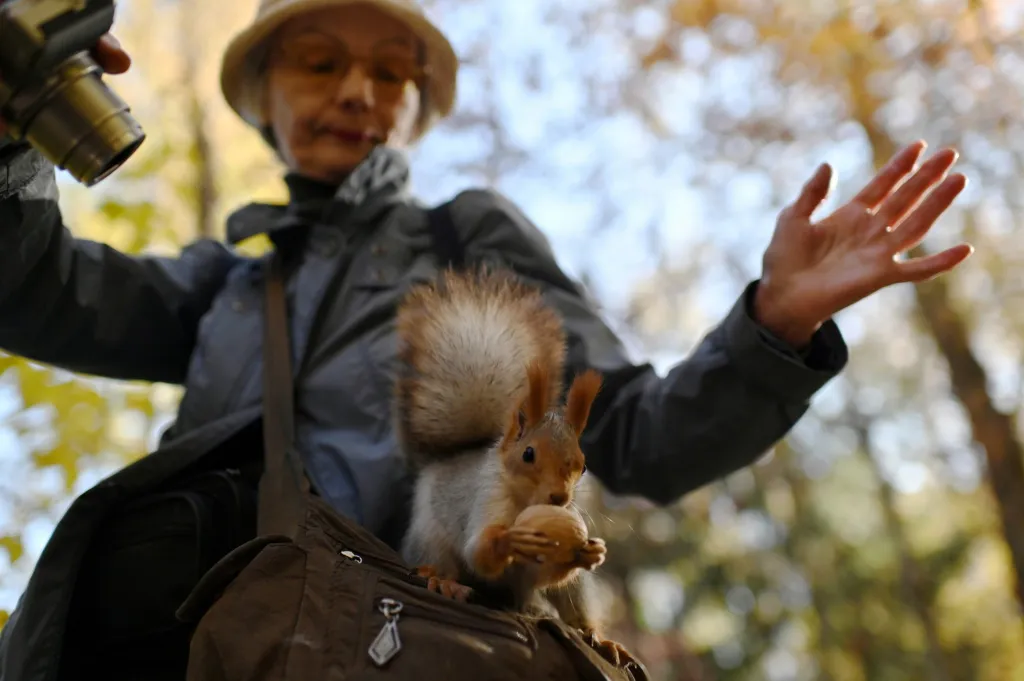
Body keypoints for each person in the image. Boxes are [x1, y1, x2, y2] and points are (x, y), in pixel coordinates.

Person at [0, 0, 973, 679]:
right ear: (262, 94)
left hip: (426, 644)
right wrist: (11, 130)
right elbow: (34, 291)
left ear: (415, 108)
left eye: (390, 73)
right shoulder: (224, 281)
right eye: (318, 61)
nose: (356, 91)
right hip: (218, 647)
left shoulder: (466, 237)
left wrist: (773, 324)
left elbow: (637, 438)